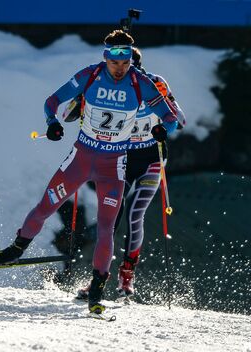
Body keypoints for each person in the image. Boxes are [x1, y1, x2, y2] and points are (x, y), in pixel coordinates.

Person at [0, 30, 177, 315]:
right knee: (45, 207)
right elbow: (52, 100)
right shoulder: (89, 75)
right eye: (115, 60)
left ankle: (97, 287)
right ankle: (15, 250)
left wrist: (162, 129)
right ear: (106, 57)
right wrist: (52, 123)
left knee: (106, 227)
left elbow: (171, 117)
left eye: (126, 60)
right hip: (80, 159)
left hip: (114, 166)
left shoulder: (141, 83)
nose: (121, 67)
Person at [72, 47, 186, 300]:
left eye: (128, 68)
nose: (122, 73)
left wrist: (165, 126)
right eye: (117, 68)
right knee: (109, 217)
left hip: (150, 159)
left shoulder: (154, 84)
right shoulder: (105, 86)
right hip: (119, 158)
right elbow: (79, 114)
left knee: (135, 212)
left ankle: (127, 276)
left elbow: (179, 119)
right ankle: (97, 280)